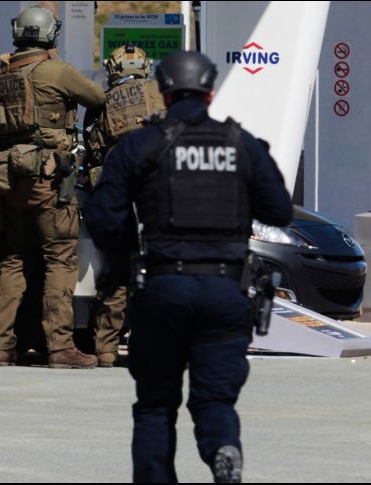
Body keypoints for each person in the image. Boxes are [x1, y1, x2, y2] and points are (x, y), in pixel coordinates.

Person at [84, 51, 293, 482]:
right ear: (211, 92)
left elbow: (103, 217)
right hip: (226, 290)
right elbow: (280, 211)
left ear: (162, 92)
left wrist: (119, 263)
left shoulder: (141, 144)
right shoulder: (240, 144)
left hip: (164, 288)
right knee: (215, 400)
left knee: (156, 405)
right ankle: (222, 448)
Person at [0, 5, 105, 368]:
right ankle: (60, 347)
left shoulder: (2, 72)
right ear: (51, 35)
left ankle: (1, 347)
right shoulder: (56, 70)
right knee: (59, 261)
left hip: (10, 179)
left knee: (14, 260)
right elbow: (97, 99)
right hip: (49, 179)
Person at [83, 45, 165, 368]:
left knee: (116, 269)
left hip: (115, 185)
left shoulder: (102, 103)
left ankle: (105, 348)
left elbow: (92, 150)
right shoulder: (161, 91)